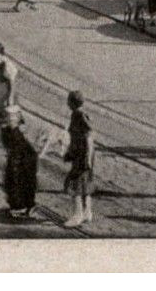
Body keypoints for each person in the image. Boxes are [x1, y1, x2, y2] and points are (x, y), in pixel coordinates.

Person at [0, 106, 39, 219]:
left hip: (23, 162)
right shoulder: (10, 130)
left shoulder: (13, 131)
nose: (9, 120)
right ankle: (22, 206)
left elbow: (19, 149)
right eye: (8, 118)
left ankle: (22, 207)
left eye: (11, 118)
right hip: (21, 161)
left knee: (19, 183)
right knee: (17, 183)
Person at [63, 91, 96, 227]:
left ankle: (78, 215)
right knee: (85, 183)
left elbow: (88, 136)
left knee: (75, 184)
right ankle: (87, 212)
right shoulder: (79, 114)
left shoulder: (79, 115)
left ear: (71, 103)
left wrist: (87, 157)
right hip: (82, 154)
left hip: (83, 155)